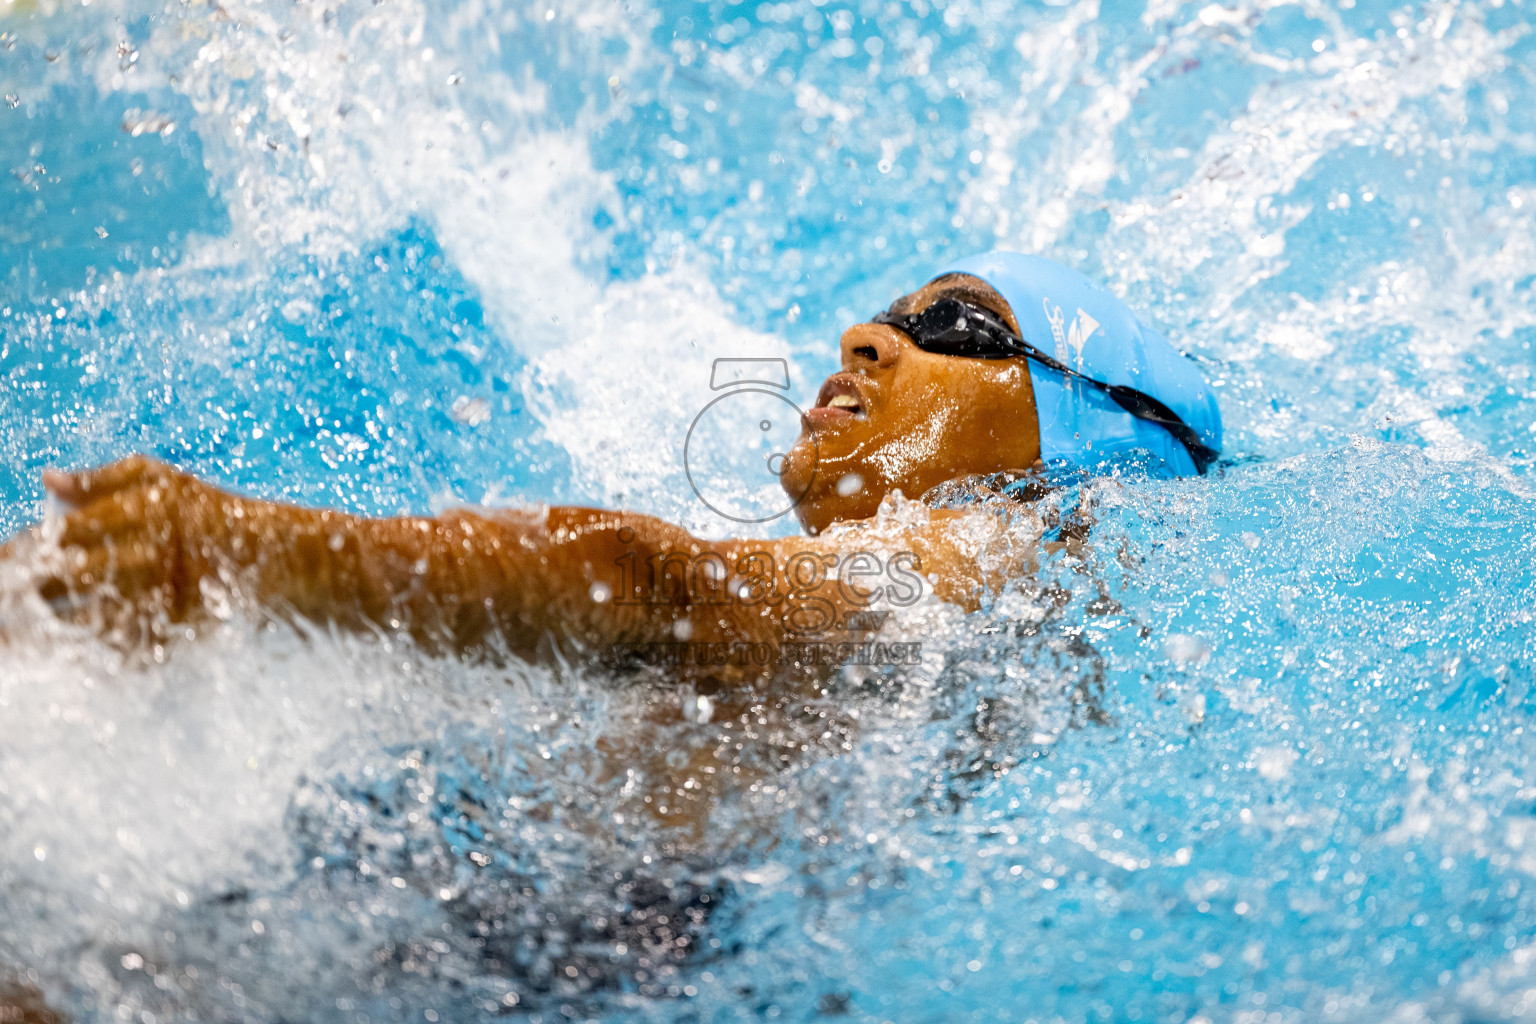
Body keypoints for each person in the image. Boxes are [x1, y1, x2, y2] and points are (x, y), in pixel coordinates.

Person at [0, 252, 1220, 678]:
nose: (864, 336)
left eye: (950, 323)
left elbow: (659, 592)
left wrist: (252, 549)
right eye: (888, 312)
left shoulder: (987, 551)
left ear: (1077, 431)